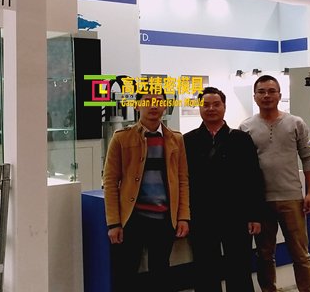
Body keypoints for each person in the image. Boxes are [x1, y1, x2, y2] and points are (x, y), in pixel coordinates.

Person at [103, 92, 190, 292]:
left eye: (159, 102)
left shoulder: (175, 139)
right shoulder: (121, 138)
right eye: (148, 101)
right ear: (137, 106)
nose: (153, 106)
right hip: (133, 218)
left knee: (160, 273)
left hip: (164, 218)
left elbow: (183, 180)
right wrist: (114, 223)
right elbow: (110, 182)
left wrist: (183, 217)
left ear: (165, 106)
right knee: (126, 273)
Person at [239, 75, 310, 292]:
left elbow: (308, 157)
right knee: (265, 254)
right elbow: (243, 167)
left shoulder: (295, 123)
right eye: (262, 91)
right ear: (255, 96)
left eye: (271, 91)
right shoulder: (246, 127)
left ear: (280, 95)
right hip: (261, 201)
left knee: (300, 254)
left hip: (292, 198)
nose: (267, 95)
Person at [183, 86, 265, 292]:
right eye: (206, 105)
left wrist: (255, 215)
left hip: (236, 215)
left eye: (216, 104)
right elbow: (182, 181)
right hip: (201, 216)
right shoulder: (188, 141)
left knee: (239, 268)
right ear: (199, 108)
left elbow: (253, 178)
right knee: (205, 269)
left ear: (224, 107)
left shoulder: (241, 139)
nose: (211, 108)